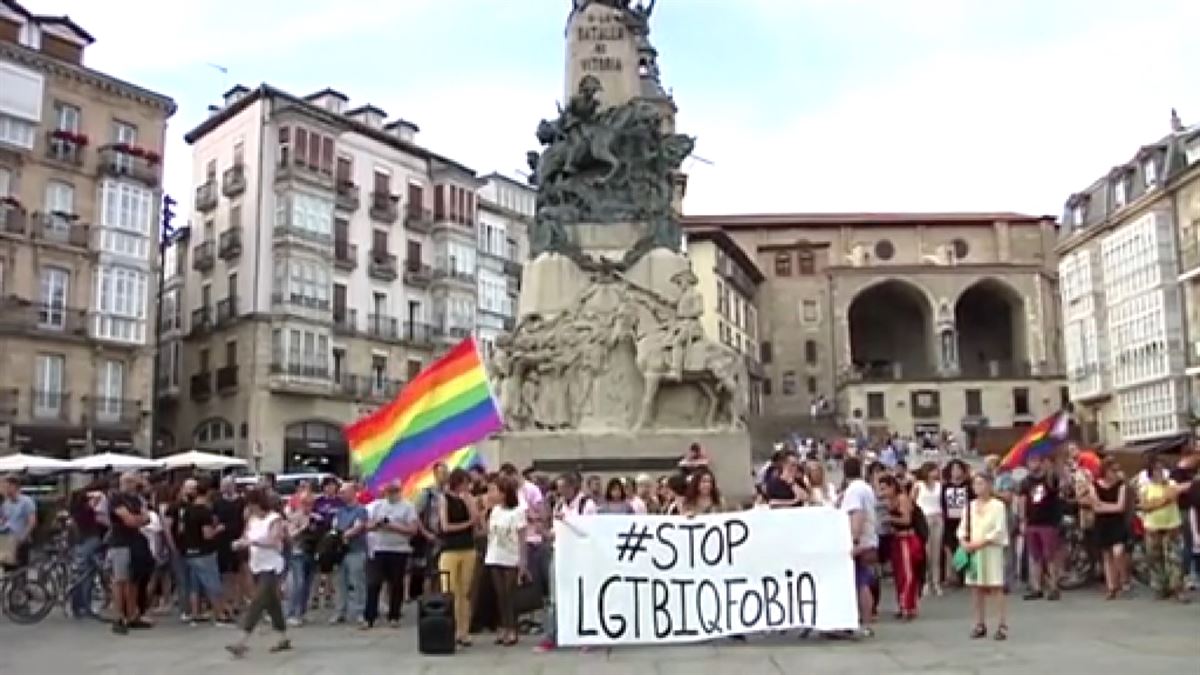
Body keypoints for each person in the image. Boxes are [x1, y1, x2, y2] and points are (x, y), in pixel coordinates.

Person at [534, 472, 596, 654]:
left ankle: (588, 635)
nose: (560, 492)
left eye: (563, 488)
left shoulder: (587, 505)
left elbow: (588, 531)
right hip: (560, 553)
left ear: (573, 487)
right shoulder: (560, 504)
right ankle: (553, 635)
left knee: (583, 596)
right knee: (556, 597)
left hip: (581, 555)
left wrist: (566, 522)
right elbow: (556, 531)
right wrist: (544, 532)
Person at [225, 489, 291, 658]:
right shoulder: (252, 520)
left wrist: (252, 542)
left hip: (272, 566)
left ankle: (241, 641)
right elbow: (245, 536)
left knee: (258, 601)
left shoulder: (274, 519)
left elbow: (274, 540)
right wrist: (239, 543)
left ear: (257, 504)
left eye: (250, 505)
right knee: (272, 603)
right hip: (257, 565)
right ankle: (282, 637)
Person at [961, 473, 1009, 640]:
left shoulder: (998, 506)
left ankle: (1001, 624)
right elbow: (962, 528)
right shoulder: (970, 506)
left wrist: (981, 542)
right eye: (976, 484)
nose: (978, 487)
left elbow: (999, 530)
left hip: (991, 550)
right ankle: (979, 623)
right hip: (974, 552)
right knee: (976, 588)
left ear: (989, 485)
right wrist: (964, 542)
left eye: (981, 483)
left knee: (996, 586)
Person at [364, 481, 418, 628]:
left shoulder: (408, 506)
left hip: (399, 549)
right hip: (379, 548)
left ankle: (394, 615)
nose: (390, 494)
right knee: (373, 583)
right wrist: (376, 525)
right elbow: (367, 526)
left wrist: (392, 526)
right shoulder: (378, 506)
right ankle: (369, 616)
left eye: (393, 491)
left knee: (396, 583)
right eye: (388, 491)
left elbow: (413, 529)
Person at [1138, 455, 1191, 602]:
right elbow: (1145, 506)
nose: (1159, 472)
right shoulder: (1145, 487)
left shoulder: (1171, 483)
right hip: (1153, 527)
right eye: (1156, 470)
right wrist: (1161, 501)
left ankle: (1177, 589)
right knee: (1155, 558)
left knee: (1174, 559)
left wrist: (1156, 502)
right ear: (1151, 472)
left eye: (1161, 469)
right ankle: (1161, 588)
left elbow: (1172, 497)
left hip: (1171, 525)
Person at [438, 468, 481, 646]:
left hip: (467, 548)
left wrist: (470, 503)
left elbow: (477, 520)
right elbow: (445, 526)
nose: (467, 486)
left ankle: (463, 631)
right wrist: (467, 524)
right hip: (450, 548)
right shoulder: (444, 499)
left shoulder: (468, 498)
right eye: (464, 483)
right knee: (449, 590)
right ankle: (449, 627)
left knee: (465, 592)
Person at [485, 475, 529, 646]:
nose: (491, 494)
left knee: (509, 594)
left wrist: (523, 562)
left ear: (504, 493)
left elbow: (522, 538)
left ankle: (512, 628)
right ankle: (503, 626)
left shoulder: (517, 512)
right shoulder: (495, 511)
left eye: (494, 490)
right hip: (494, 555)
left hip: (511, 557)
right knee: (499, 595)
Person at [838, 457, 878, 638]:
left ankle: (862, 621)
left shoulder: (853, 491)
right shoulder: (866, 488)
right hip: (869, 539)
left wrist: (854, 540)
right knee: (862, 581)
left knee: (859, 582)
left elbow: (857, 515)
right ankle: (866, 622)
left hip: (860, 541)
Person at [106, 472, 150, 634]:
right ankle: (119, 616)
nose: (132, 485)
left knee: (133, 581)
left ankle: (132, 615)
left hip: (134, 543)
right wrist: (138, 519)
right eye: (129, 482)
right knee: (120, 580)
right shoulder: (116, 499)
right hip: (120, 543)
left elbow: (147, 518)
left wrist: (137, 518)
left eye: (134, 482)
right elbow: (130, 521)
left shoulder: (136, 499)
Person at [181, 482, 230, 624]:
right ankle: (220, 614)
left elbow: (182, 530)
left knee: (194, 584)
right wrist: (218, 529)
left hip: (189, 551)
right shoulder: (204, 512)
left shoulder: (188, 510)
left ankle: (195, 613)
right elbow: (207, 535)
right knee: (212, 583)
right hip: (204, 552)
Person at [1019, 455, 1062, 601]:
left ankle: (1054, 586)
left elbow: (1059, 485)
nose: (1033, 464)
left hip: (1048, 522)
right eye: (1030, 461)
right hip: (1032, 522)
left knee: (1050, 555)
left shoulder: (1050, 478)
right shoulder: (1026, 482)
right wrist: (1022, 520)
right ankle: (1036, 587)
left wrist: (1051, 468)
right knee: (1034, 556)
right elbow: (1022, 501)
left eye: (1036, 461)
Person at [880, 474, 923, 620]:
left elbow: (906, 519)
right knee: (899, 574)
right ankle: (903, 604)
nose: (882, 492)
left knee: (908, 573)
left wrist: (889, 518)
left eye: (884, 488)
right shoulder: (889, 501)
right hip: (897, 539)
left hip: (907, 539)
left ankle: (908, 605)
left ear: (892, 487)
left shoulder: (902, 499)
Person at [1090, 458, 1129, 599]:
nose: (1116, 473)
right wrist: (1106, 506)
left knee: (1118, 552)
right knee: (1107, 556)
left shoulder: (1121, 485)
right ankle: (1111, 587)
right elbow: (1095, 507)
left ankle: (1123, 579)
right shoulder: (1095, 485)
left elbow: (1121, 507)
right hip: (1102, 523)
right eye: (1113, 470)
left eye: (1117, 470)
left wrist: (1103, 505)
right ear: (1105, 471)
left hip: (1117, 523)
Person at [332, 482, 369, 626]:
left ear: (354, 492)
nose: (341, 495)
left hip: (356, 550)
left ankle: (360, 612)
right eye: (340, 492)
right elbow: (335, 526)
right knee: (340, 583)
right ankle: (340, 611)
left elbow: (359, 526)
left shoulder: (361, 510)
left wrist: (344, 535)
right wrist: (338, 537)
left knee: (357, 582)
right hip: (340, 552)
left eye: (344, 492)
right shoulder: (339, 511)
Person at [213, 477, 249, 609]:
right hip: (222, 540)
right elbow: (215, 519)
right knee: (224, 572)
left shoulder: (241, 502)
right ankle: (228, 599)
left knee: (238, 571)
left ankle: (238, 600)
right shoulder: (218, 502)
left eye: (225, 486)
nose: (222, 489)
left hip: (237, 538)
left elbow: (245, 520)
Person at [284, 489, 318, 626]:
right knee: (298, 584)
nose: (308, 506)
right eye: (305, 503)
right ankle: (291, 613)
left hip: (311, 553)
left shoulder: (315, 517)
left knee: (308, 584)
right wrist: (303, 528)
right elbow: (290, 536)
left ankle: (302, 612)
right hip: (298, 553)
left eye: (310, 503)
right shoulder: (294, 517)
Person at [913, 462, 944, 596]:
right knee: (926, 551)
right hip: (924, 518)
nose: (936, 473)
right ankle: (925, 581)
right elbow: (912, 501)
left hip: (937, 517)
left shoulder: (939, 486)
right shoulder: (918, 485)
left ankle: (936, 582)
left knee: (936, 552)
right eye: (933, 470)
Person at [941, 459, 973, 588]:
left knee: (965, 547)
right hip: (950, 521)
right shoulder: (945, 487)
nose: (956, 472)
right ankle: (957, 575)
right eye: (953, 469)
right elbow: (942, 503)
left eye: (958, 469)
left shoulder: (968, 486)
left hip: (965, 520)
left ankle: (966, 575)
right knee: (952, 547)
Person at [0, 475, 37, 570]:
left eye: (7, 486)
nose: (5, 489)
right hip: (8, 542)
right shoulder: (6, 503)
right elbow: (4, 520)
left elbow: (32, 522)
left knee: (21, 571)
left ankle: (22, 584)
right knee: (9, 571)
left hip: (21, 542)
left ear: (14, 486)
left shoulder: (26, 501)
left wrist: (23, 537)